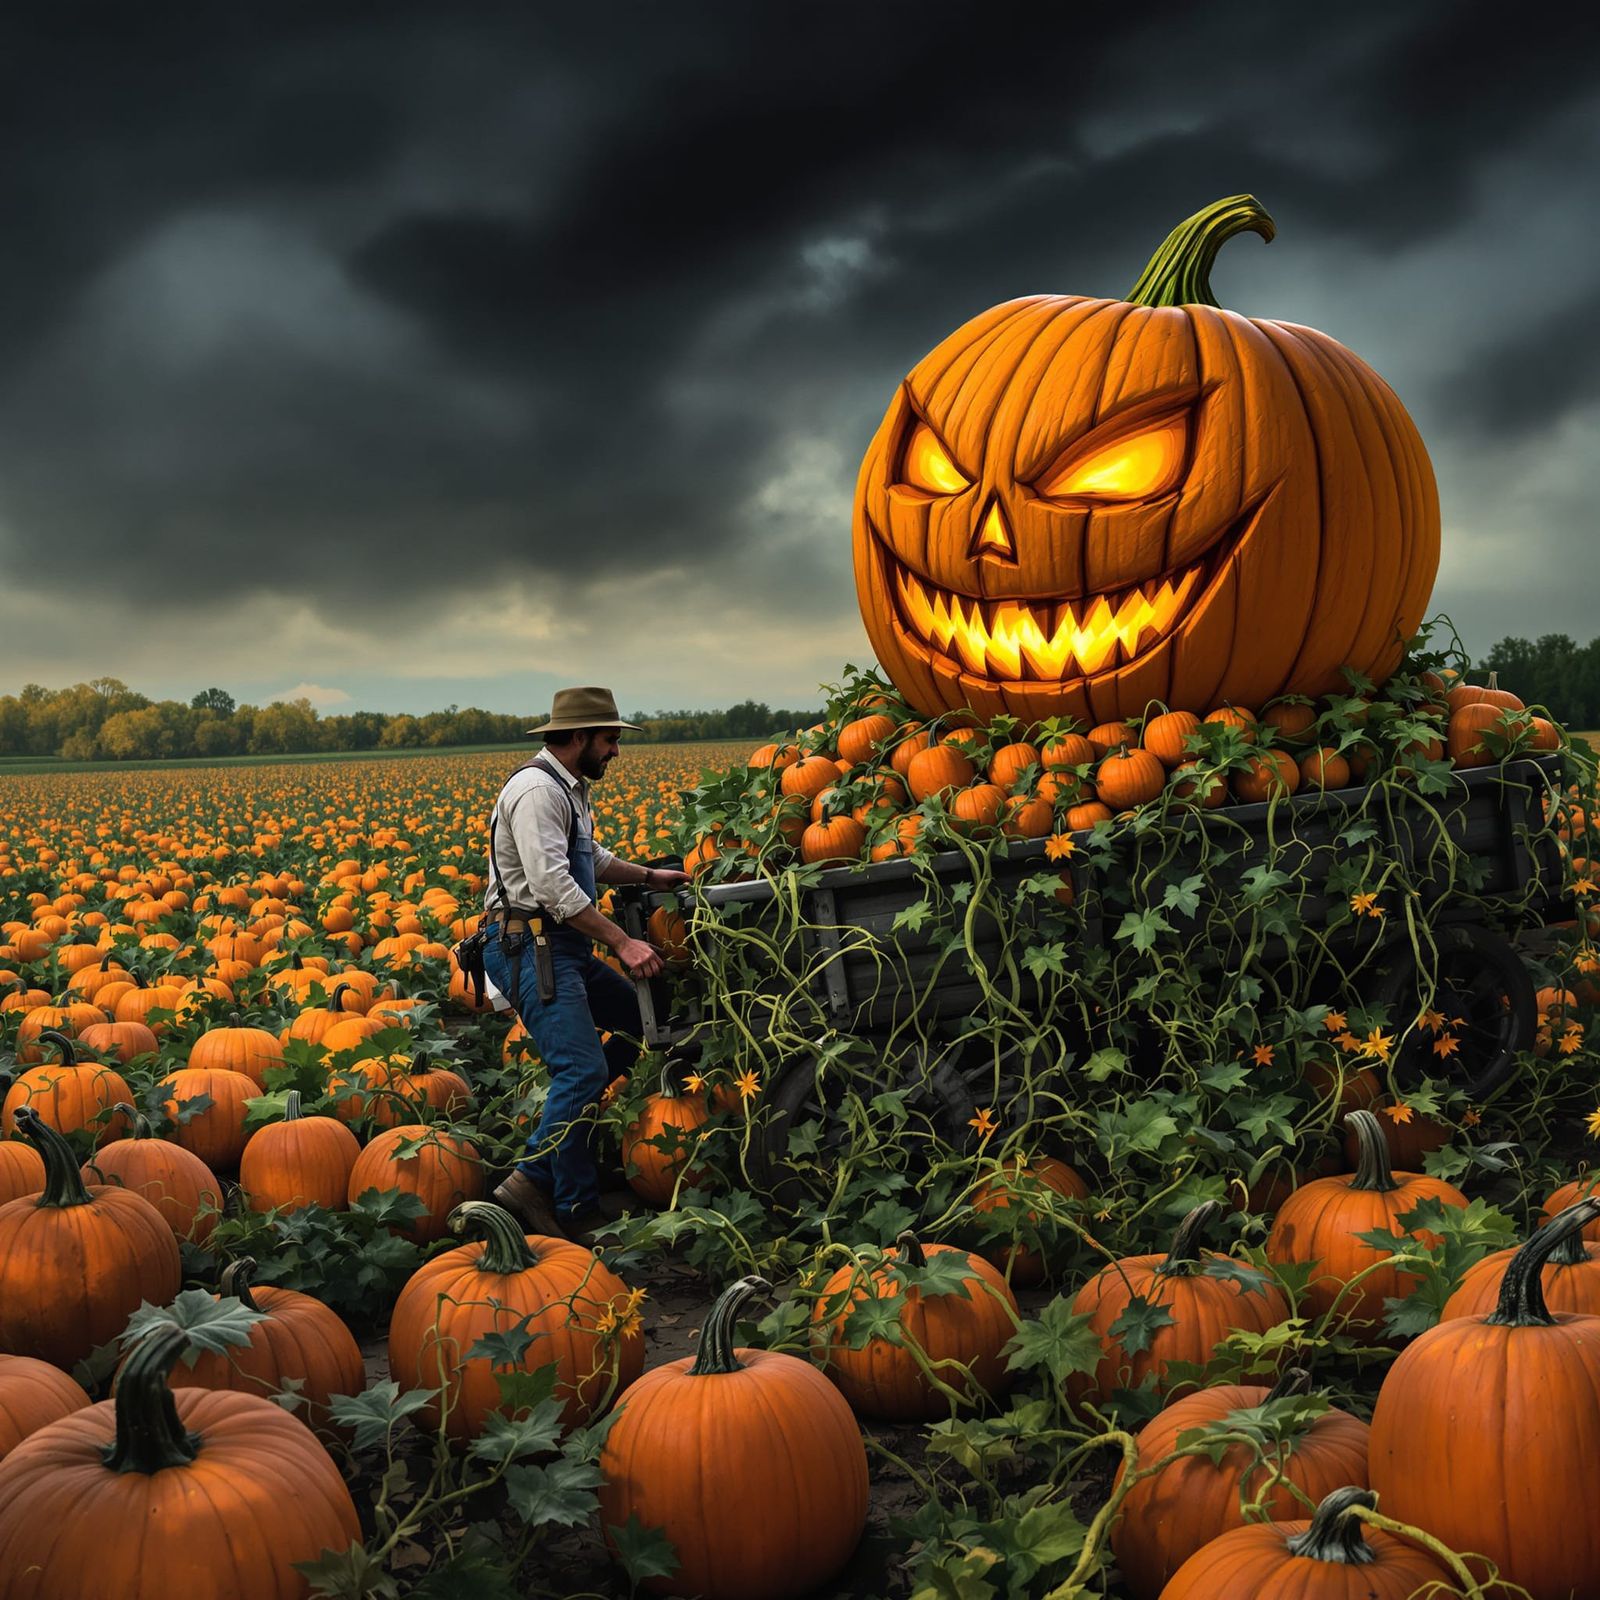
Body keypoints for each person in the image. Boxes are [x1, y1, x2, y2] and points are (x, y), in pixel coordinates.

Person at [481, 686, 690, 1244]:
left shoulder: (566, 790)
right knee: (582, 1072)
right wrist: (623, 942)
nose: (615, 751)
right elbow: (551, 885)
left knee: (638, 1021)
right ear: (578, 738)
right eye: (610, 740)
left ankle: (566, 1148)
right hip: (528, 948)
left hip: (559, 947)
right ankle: (556, 1193)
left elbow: (588, 860)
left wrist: (648, 877)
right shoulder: (534, 791)